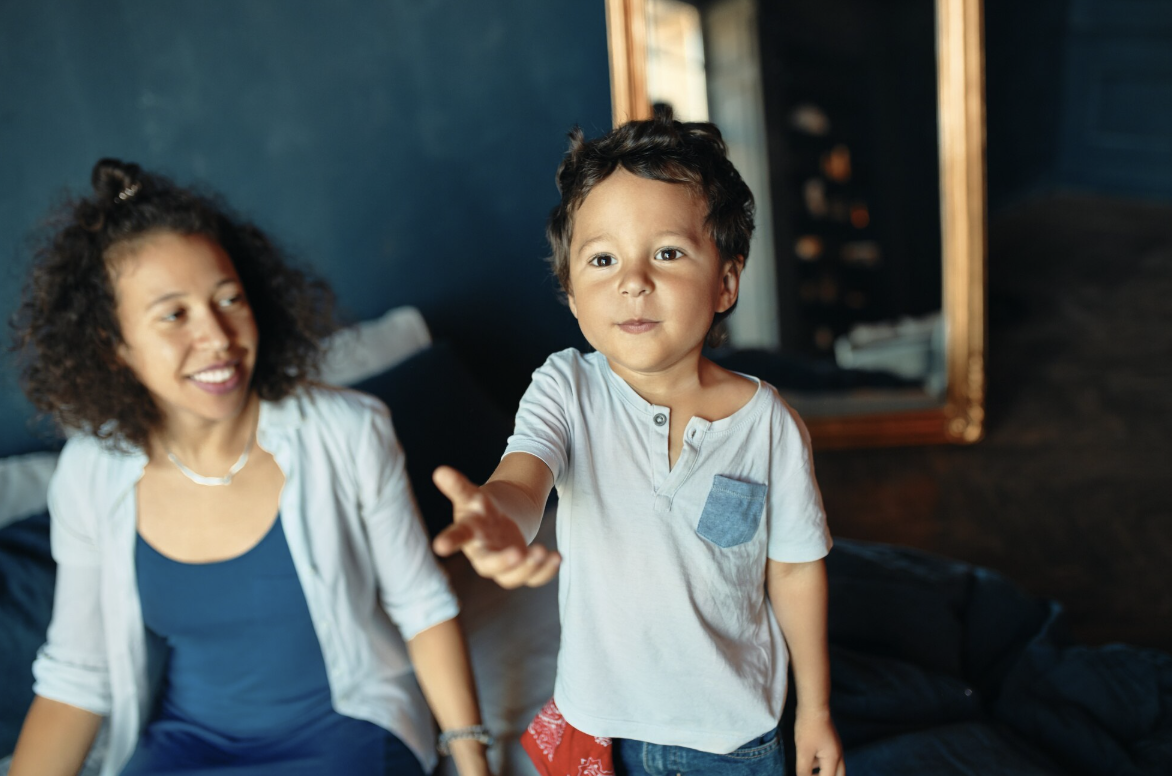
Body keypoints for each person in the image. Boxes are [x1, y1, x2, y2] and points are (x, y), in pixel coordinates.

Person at [8, 159, 492, 776]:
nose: (218, 335)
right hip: (182, 746)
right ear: (114, 346)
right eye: (174, 314)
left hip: (342, 739)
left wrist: (472, 758)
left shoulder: (348, 431)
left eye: (229, 299)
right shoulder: (88, 475)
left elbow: (422, 607)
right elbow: (77, 675)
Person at [431, 113, 845, 776]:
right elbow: (521, 481)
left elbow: (794, 571)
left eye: (668, 253)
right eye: (602, 259)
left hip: (734, 739)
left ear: (727, 281)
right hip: (598, 728)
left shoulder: (769, 424)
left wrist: (815, 713)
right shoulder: (567, 387)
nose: (633, 280)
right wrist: (495, 520)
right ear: (570, 292)